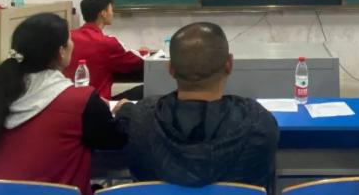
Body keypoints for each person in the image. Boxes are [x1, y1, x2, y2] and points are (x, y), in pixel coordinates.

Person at [0, 13, 126, 195]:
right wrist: (126, 111)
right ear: (61, 51)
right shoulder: (80, 101)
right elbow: (116, 140)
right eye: (69, 40)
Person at [116, 22, 279, 188]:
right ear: (229, 64)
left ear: (170, 69)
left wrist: (125, 108)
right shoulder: (259, 124)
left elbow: (128, 117)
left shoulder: (140, 118)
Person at [64, 0, 146, 100]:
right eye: (111, 9)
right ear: (103, 13)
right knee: (145, 90)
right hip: (99, 104)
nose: (113, 13)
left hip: (70, 102)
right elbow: (138, 61)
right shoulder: (107, 43)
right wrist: (145, 53)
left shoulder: (68, 37)